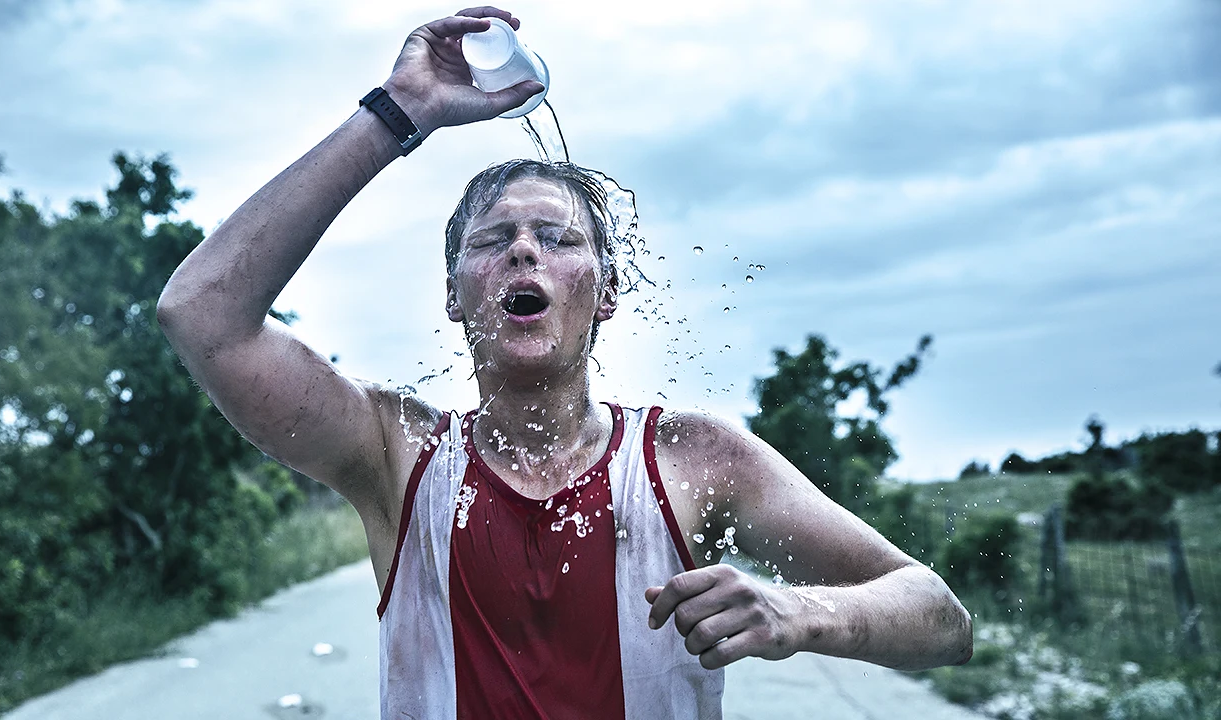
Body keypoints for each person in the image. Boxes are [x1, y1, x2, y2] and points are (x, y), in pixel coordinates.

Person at [157, 7, 973, 718]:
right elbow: (202, 314)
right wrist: (399, 110)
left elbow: (940, 620)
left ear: (608, 292)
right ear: (454, 297)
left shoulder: (690, 455)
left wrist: (796, 614)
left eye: (556, 239)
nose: (521, 251)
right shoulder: (395, 453)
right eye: (491, 240)